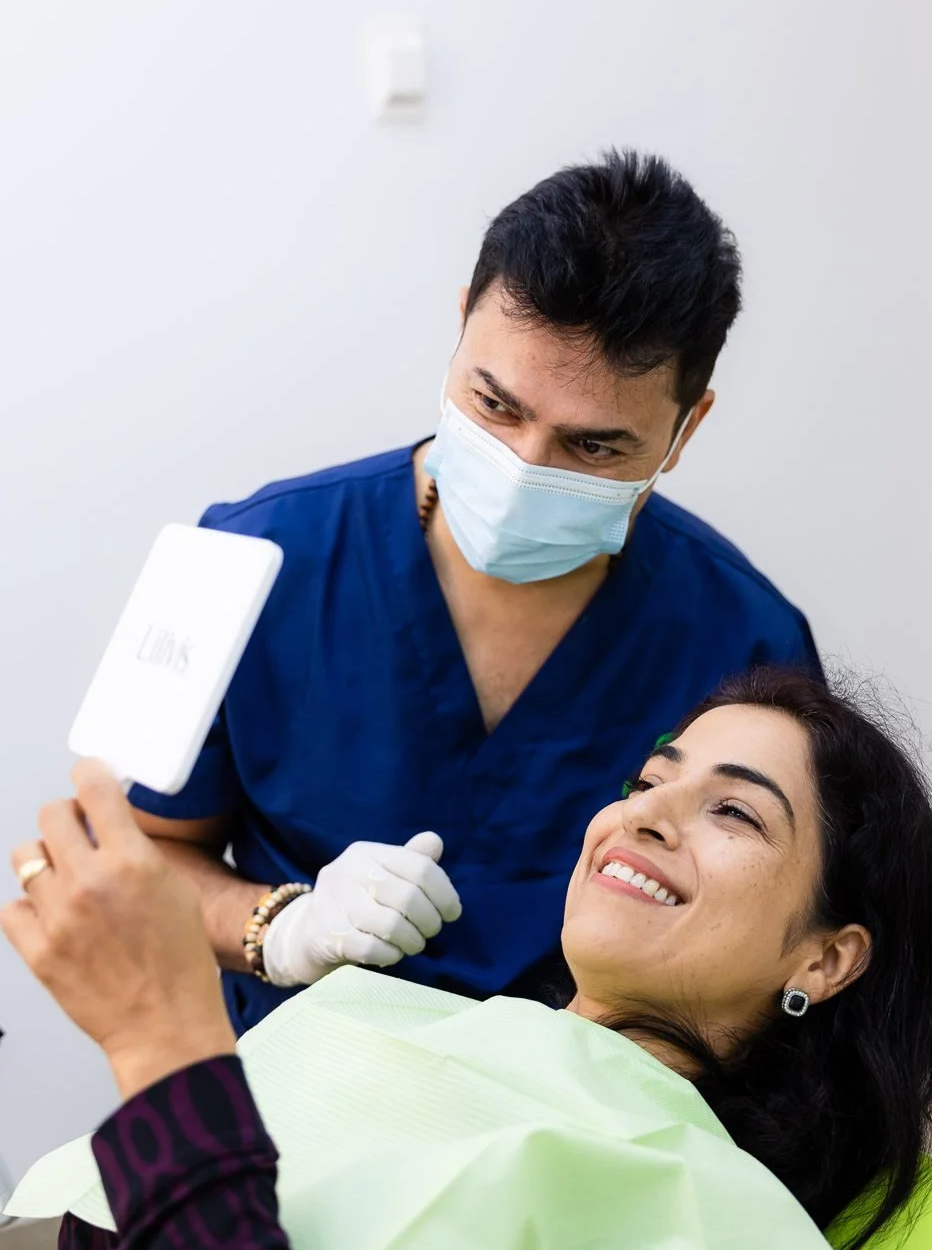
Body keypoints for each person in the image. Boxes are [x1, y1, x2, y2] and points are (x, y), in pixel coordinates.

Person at [0, 667, 932, 1250]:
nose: (645, 814)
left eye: (733, 810)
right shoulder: (389, 1018)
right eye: (646, 778)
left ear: (825, 958)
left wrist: (166, 1051)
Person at [127, 150, 821, 1034]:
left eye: (593, 448)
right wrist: (281, 927)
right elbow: (136, 857)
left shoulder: (746, 639)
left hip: (571, 1116)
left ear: (686, 427)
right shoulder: (240, 555)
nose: (523, 468)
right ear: (461, 326)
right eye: (495, 405)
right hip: (287, 1091)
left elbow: (770, 939)